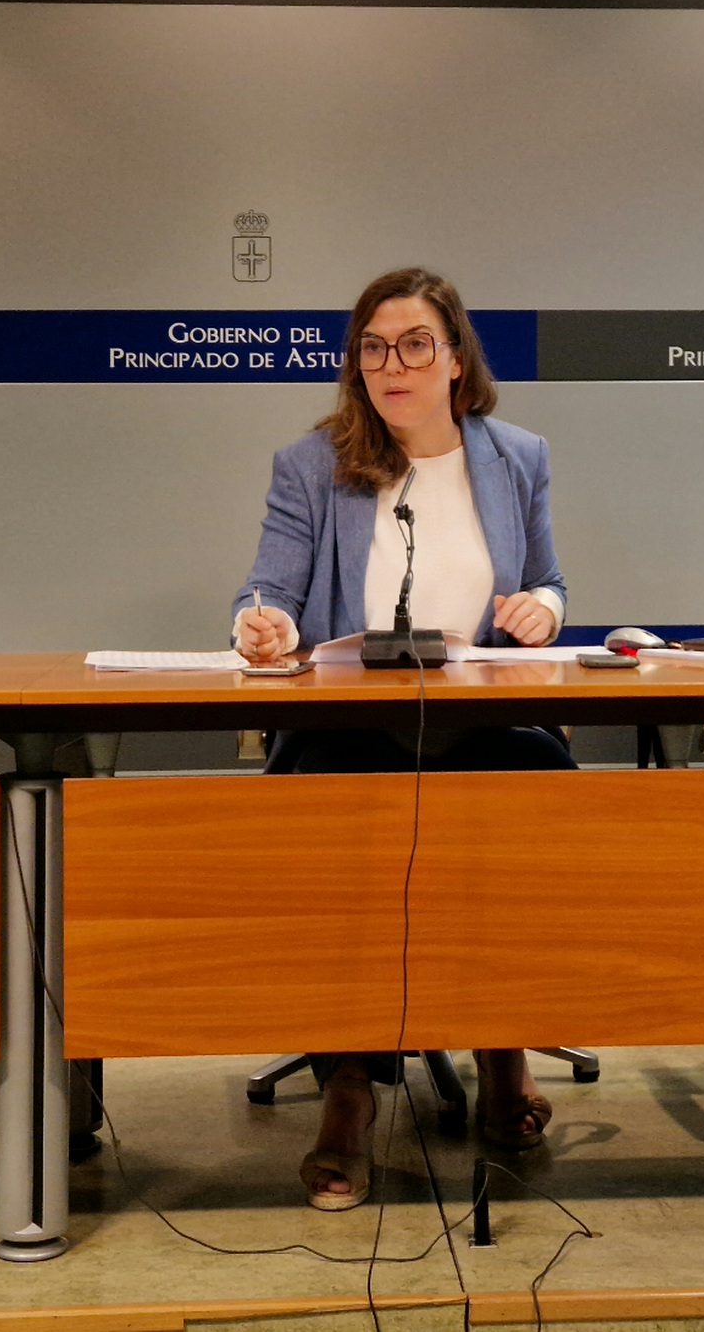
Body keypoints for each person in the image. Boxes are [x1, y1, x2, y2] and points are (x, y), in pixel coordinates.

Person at [233, 266, 569, 1210]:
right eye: (374, 348)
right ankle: (349, 1086)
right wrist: (265, 625)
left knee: (539, 795)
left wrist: (542, 610)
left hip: (487, 720)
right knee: (335, 826)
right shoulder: (314, 463)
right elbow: (268, 591)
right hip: (353, 725)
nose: (393, 365)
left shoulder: (518, 456)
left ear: (455, 360)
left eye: (416, 344)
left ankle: (503, 1047)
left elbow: (549, 580)